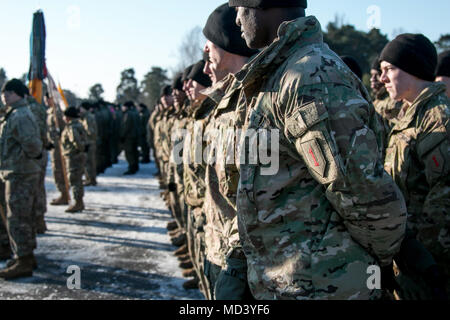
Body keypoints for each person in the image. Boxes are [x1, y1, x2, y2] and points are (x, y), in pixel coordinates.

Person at [227, 0, 407, 299]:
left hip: (323, 287)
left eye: (238, 7)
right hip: (290, 283)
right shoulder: (280, 75)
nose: (236, 19)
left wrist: (377, 263)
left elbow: (365, 195)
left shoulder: (310, 76)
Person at [380, 34, 450, 299]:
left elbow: (444, 197)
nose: (383, 78)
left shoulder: (437, 119)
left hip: (429, 265)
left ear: (411, 69)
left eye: (389, 70)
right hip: (407, 258)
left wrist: (425, 259)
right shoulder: (409, 115)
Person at [201, 3, 258, 300]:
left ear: (225, 44)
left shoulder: (255, 102)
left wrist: (235, 268)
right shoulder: (226, 103)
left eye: (208, 46)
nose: (205, 59)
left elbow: (253, 198)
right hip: (225, 248)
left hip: (247, 261)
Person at [0, 79, 43, 279]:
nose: (4, 97)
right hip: (17, 171)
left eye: (7, 93)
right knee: (20, 216)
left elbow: (33, 145)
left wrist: (24, 161)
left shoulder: (20, 115)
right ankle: (25, 257)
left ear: (17, 94)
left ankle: (24, 260)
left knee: (18, 218)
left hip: (21, 173)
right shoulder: (15, 114)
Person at [61, 107, 88, 213]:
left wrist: (78, 150)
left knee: (74, 179)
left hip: (73, 156)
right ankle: (78, 202)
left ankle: (78, 202)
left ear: (67, 117)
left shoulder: (72, 127)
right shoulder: (79, 124)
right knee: (77, 179)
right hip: (78, 156)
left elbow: (76, 141)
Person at [46, 93, 70, 206]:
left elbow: (64, 129)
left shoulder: (57, 112)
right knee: (56, 169)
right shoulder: (50, 111)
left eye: (46, 98)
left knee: (59, 169)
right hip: (53, 145)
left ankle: (64, 194)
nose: (45, 101)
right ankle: (63, 193)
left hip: (58, 146)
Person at [370, 57, 403, 132]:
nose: (372, 79)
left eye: (377, 75)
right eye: (372, 75)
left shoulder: (395, 100)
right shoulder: (376, 101)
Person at [80, 102, 98, 186]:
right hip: (91, 142)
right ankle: (91, 178)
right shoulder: (90, 116)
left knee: (89, 162)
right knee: (90, 162)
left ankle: (90, 179)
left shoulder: (87, 117)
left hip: (89, 142)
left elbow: (89, 131)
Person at [120, 101, 140, 175]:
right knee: (134, 152)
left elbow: (126, 126)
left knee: (129, 153)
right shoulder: (136, 113)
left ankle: (132, 167)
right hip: (135, 136)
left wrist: (122, 135)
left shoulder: (128, 114)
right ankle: (135, 166)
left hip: (129, 137)